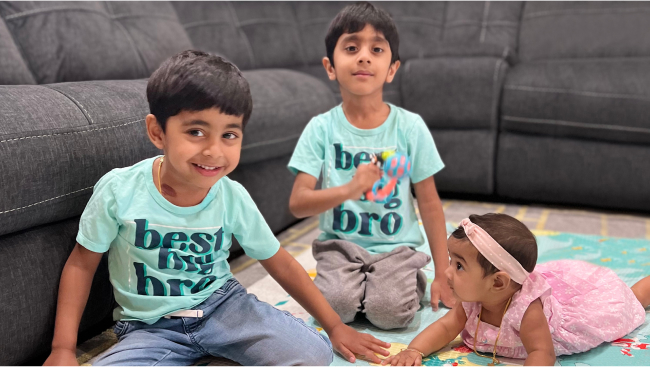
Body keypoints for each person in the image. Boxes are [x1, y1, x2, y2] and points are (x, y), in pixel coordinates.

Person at [43, 50, 391, 366]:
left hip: (223, 307)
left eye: (229, 135)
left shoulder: (232, 196)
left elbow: (280, 263)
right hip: (149, 328)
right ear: (157, 132)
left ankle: (218, 352)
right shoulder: (119, 190)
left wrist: (333, 325)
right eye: (196, 131)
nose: (214, 151)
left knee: (313, 354)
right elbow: (81, 265)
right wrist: (62, 348)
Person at [288, 2, 455, 331]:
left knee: (389, 313)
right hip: (340, 247)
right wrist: (350, 189)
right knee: (336, 309)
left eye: (376, 49)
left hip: (396, 250)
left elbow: (431, 203)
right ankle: (361, 286)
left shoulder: (410, 127)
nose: (363, 56)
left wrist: (443, 272)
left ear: (391, 69)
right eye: (351, 47)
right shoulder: (320, 129)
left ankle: (408, 278)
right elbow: (298, 203)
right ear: (330, 66)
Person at [382, 213, 650, 366]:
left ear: (498, 282)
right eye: (452, 262)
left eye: (460, 266)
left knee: (628, 300)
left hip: (579, 308)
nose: (448, 272)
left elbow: (541, 353)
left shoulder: (528, 311)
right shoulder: (471, 300)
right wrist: (414, 350)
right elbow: (444, 328)